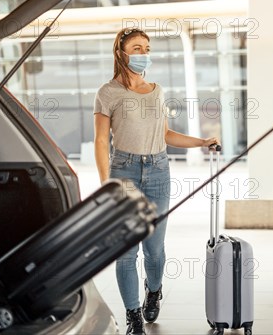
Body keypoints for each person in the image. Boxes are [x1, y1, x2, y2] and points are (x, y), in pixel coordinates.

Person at [94, 28, 219, 335]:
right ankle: (133, 315)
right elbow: (99, 141)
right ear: (121, 53)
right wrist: (106, 184)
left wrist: (202, 141)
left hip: (159, 171)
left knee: (154, 248)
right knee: (126, 250)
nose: (143, 53)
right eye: (137, 48)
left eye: (146, 48)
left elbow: (166, 134)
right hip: (124, 170)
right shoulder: (107, 92)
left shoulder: (157, 90)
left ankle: (154, 289)